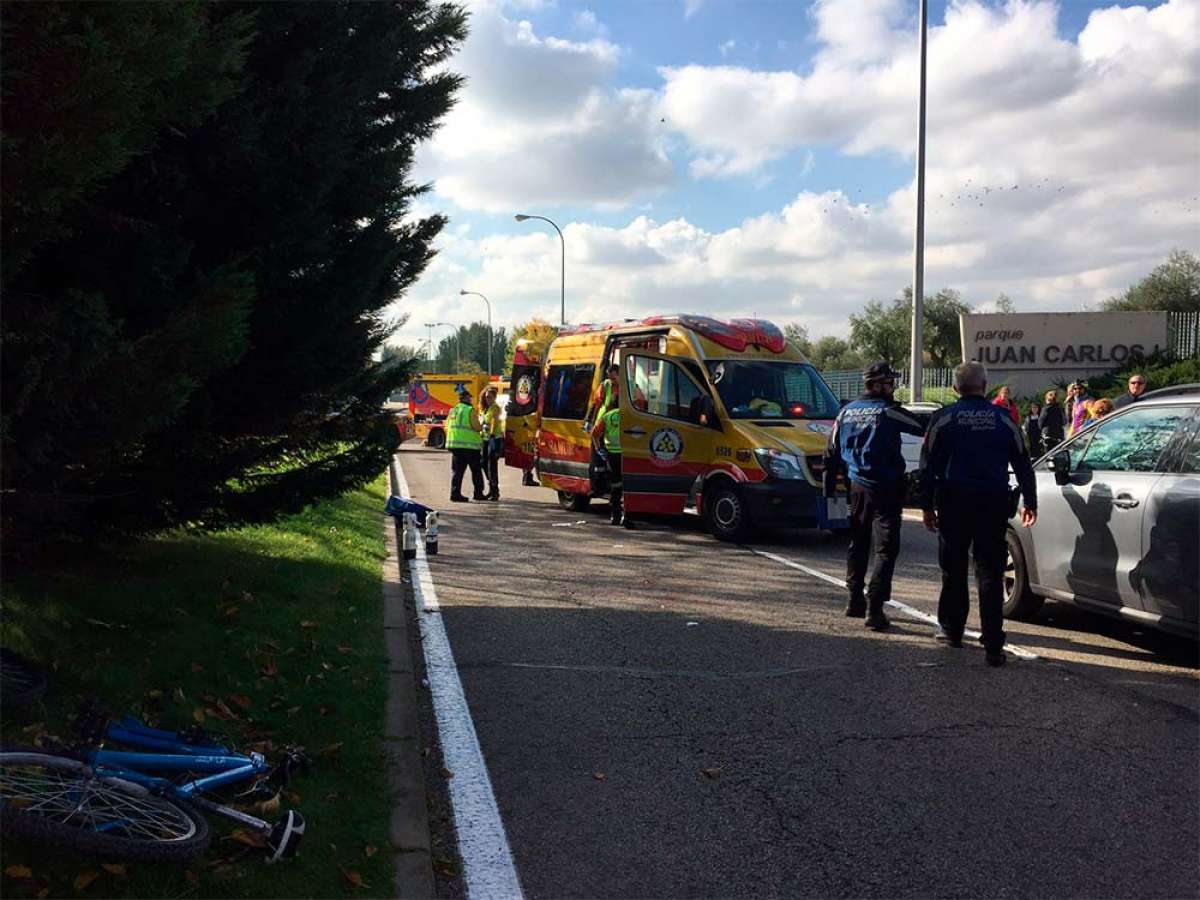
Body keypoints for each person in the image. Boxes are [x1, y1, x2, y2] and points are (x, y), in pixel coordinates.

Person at [919, 361, 1037, 667]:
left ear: (956, 388)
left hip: (953, 501)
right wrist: (1030, 502)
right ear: (985, 386)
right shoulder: (1004, 419)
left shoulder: (943, 418)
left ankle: (952, 630)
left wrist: (925, 505)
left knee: (954, 567)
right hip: (993, 502)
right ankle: (993, 643)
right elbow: (1023, 462)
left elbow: (928, 465)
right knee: (989, 571)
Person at [822, 362, 926, 631]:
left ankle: (854, 599)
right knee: (885, 549)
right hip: (887, 489)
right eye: (889, 383)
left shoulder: (845, 413)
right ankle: (875, 608)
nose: (892, 388)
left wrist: (830, 493)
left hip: (856, 487)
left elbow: (830, 454)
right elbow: (919, 425)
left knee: (858, 542)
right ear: (879, 385)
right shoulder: (888, 412)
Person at [446, 389, 486, 503]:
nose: (471, 399)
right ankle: (478, 493)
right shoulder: (469, 410)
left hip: (455, 445)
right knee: (476, 470)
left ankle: (455, 494)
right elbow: (476, 427)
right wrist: (482, 424)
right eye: (469, 397)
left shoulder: (453, 410)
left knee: (457, 472)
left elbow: (447, 425)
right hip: (470, 446)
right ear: (465, 398)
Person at [590, 401, 625, 526]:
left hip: (611, 454)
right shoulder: (631, 415)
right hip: (627, 454)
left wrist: (599, 449)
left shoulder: (607, 416)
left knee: (616, 485)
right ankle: (627, 515)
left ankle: (615, 515)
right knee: (628, 485)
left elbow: (594, 434)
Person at [479, 387, 503, 501]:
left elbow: (494, 422)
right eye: (486, 397)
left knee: (492, 466)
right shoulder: (486, 409)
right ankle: (492, 487)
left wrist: (492, 434)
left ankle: (494, 491)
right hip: (485, 438)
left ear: (494, 398)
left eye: (490, 397)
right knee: (483, 463)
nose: (487, 398)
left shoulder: (495, 408)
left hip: (494, 439)